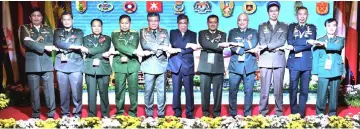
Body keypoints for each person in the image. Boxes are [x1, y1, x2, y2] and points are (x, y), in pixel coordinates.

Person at [19, 8, 57, 119]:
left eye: (38, 15)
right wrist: (44, 46)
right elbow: (26, 42)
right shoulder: (25, 28)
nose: (36, 17)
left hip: (46, 62)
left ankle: (51, 114)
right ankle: (35, 114)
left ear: (41, 18)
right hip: (32, 64)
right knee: (34, 91)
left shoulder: (48, 28)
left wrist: (34, 41)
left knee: (49, 90)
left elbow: (50, 42)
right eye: (34, 15)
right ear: (30, 18)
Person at [109, 14, 148, 117]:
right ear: (119, 24)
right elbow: (118, 45)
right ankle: (119, 112)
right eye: (122, 23)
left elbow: (133, 45)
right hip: (119, 64)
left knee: (133, 90)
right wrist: (134, 52)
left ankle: (133, 112)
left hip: (132, 64)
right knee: (119, 90)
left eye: (127, 23)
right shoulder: (114, 34)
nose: (124, 25)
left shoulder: (135, 34)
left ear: (130, 24)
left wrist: (129, 52)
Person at [257, 1, 288, 116]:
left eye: (276, 11)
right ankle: (262, 113)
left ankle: (279, 113)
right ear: (268, 12)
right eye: (271, 11)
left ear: (278, 12)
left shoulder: (284, 26)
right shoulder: (262, 26)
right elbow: (261, 41)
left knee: (278, 89)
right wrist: (273, 46)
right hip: (265, 60)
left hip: (279, 60)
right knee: (264, 90)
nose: (274, 13)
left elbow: (282, 40)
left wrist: (268, 46)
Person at [310, 18, 345, 116]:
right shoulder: (319, 40)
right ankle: (319, 115)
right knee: (321, 95)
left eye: (333, 25)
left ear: (336, 27)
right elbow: (315, 57)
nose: (331, 28)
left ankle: (332, 115)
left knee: (334, 96)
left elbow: (337, 47)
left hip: (336, 70)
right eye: (329, 26)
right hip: (323, 70)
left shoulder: (340, 39)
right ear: (325, 27)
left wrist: (324, 44)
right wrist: (314, 73)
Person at [167, 14, 200, 119]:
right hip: (175, 65)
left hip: (188, 66)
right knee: (176, 91)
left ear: (188, 23)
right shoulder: (173, 32)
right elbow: (174, 42)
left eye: (185, 23)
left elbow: (191, 49)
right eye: (181, 23)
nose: (183, 25)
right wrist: (187, 45)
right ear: (178, 24)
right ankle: (177, 111)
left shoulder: (193, 34)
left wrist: (178, 49)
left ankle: (190, 113)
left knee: (189, 92)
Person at [286, 6, 316, 118]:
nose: (302, 16)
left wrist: (295, 47)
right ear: (296, 15)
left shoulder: (312, 28)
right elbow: (289, 41)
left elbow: (311, 43)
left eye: (304, 14)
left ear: (307, 15)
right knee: (293, 88)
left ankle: (301, 113)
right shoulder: (292, 27)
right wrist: (305, 41)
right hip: (294, 62)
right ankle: (293, 113)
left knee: (304, 90)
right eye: (300, 14)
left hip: (306, 62)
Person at [198, 14, 229, 117]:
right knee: (204, 93)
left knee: (218, 93)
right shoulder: (201, 33)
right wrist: (217, 45)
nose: (212, 24)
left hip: (218, 66)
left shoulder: (223, 34)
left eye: (214, 22)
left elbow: (221, 49)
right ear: (207, 23)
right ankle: (205, 114)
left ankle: (217, 114)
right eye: (210, 22)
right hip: (204, 66)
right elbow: (204, 44)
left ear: (217, 23)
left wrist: (212, 46)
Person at [140, 12, 170, 118]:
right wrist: (160, 47)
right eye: (151, 21)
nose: (153, 23)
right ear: (148, 21)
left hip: (162, 64)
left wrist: (157, 49)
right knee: (148, 90)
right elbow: (145, 44)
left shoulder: (164, 31)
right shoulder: (143, 31)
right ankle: (149, 113)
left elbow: (166, 44)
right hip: (148, 64)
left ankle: (161, 113)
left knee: (162, 91)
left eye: (155, 20)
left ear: (159, 21)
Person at [227, 13, 258, 117]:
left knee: (248, 92)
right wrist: (245, 50)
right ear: (237, 21)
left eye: (244, 20)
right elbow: (232, 46)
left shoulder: (253, 32)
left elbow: (253, 44)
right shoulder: (232, 32)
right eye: (240, 20)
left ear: (248, 21)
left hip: (249, 67)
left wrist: (238, 45)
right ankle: (232, 115)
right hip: (235, 66)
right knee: (232, 92)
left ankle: (247, 115)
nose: (242, 22)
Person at [54, 12, 84, 118]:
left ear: (72, 20)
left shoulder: (79, 32)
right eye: (64, 19)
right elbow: (57, 42)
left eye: (69, 19)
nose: (67, 22)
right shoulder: (57, 32)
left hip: (76, 65)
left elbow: (79, 44)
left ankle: (77, 114)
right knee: (63, 93)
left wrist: (63, 46)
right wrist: (72, 46)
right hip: (61, 66)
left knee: (77, 93)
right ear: (61, 21)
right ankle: (65, 114)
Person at [82, 19, 111, 118]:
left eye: (99, 26)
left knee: (104, 93)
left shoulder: (107, 38)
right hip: (90, 68)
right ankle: (91, 115)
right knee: (91, 93)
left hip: (103, 67)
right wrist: (101, 54)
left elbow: (104, 48)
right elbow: (99, 50)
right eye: (94, 26)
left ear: (102, 27)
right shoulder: (85, 38)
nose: (97, 28)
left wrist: (89, 50)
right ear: (91, 27)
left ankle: (105, 114)